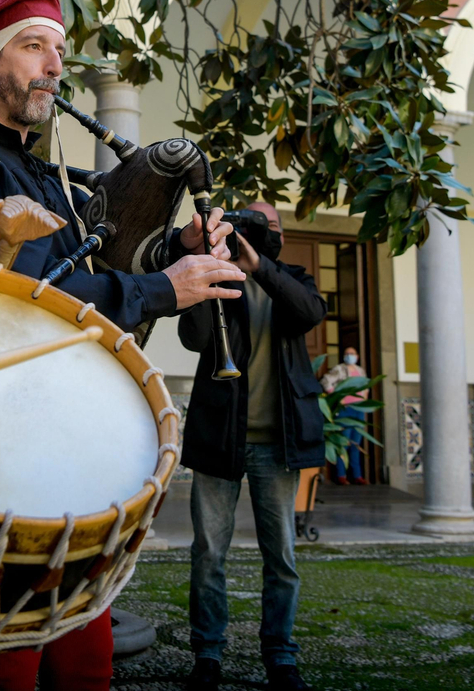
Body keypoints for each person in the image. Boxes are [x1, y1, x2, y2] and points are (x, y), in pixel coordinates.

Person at [0, 0, 245, 691]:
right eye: (33, 47)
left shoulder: (41, 173)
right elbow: (30, 298)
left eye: (59, 50)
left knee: (85, 658)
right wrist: (161, 288)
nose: (54, 65)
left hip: (59, 435)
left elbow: (93, 269)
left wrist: (177, 248)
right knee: (9, 658)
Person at [178, 200, 327, 691]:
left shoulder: (295, 279)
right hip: (221, 436)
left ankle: (281, 658)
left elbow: (308, 314)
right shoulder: (217, 279)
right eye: (253, 224)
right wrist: (214, 268)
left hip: (278, 442)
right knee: (208, 554)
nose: (264, 232)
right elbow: (193, 339)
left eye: (273, 226)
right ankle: (207, 655)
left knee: (281, 557)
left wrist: (261, 267)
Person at [321, 346, 369, 485]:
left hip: (359, 409)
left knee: (356, 443)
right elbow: (325, 381)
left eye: (352, 353)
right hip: (345, 409)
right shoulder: (339, 369)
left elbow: (366, 385)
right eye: (347, 353)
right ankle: (341, 475)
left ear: (357, 356)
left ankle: (357, 475)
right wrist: (335, 396)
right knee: (343, 442)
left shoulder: (361, 371)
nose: (350, 355)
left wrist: (365, 397)